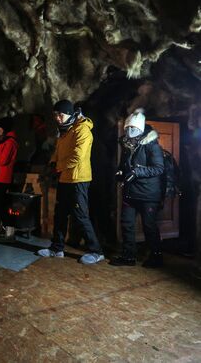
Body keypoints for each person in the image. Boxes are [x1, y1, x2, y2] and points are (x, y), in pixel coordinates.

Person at [36, 100, 104, 264]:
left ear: (70, 114)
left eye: (61, 114)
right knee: (60, 214)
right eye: (55, 115)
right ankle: (56, 248)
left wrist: (57, 167)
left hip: (78, 179)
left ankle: (96, 251)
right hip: (65, 177)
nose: (58, 118)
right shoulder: (65, 131)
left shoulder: (82, 130)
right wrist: (52, 163)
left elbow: (77, 157)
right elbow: (58, 151)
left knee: (80, 215)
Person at [109, 109, 165, 268]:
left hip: (148, 195)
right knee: (127, 224)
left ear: (140, 129)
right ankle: (128, 256)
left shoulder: (151, 145)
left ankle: (156, 257)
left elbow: (159, 168)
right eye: (127, 128)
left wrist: (136, 171)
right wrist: (120, 174)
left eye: (132, 128)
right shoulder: (127, 144)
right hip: (130, 192)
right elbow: (123, 165)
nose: (129, 131)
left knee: (149, 226)